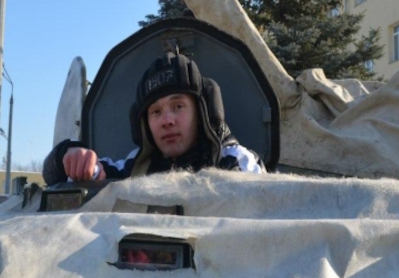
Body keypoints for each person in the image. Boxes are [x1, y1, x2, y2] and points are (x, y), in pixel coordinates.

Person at [43, 51, 264, 184]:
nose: (167, 121)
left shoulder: (236, 163)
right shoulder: (134, 167)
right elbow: (56, 178)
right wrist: (70, 155)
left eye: (178, 106)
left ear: (201, 113)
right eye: (155, 112)